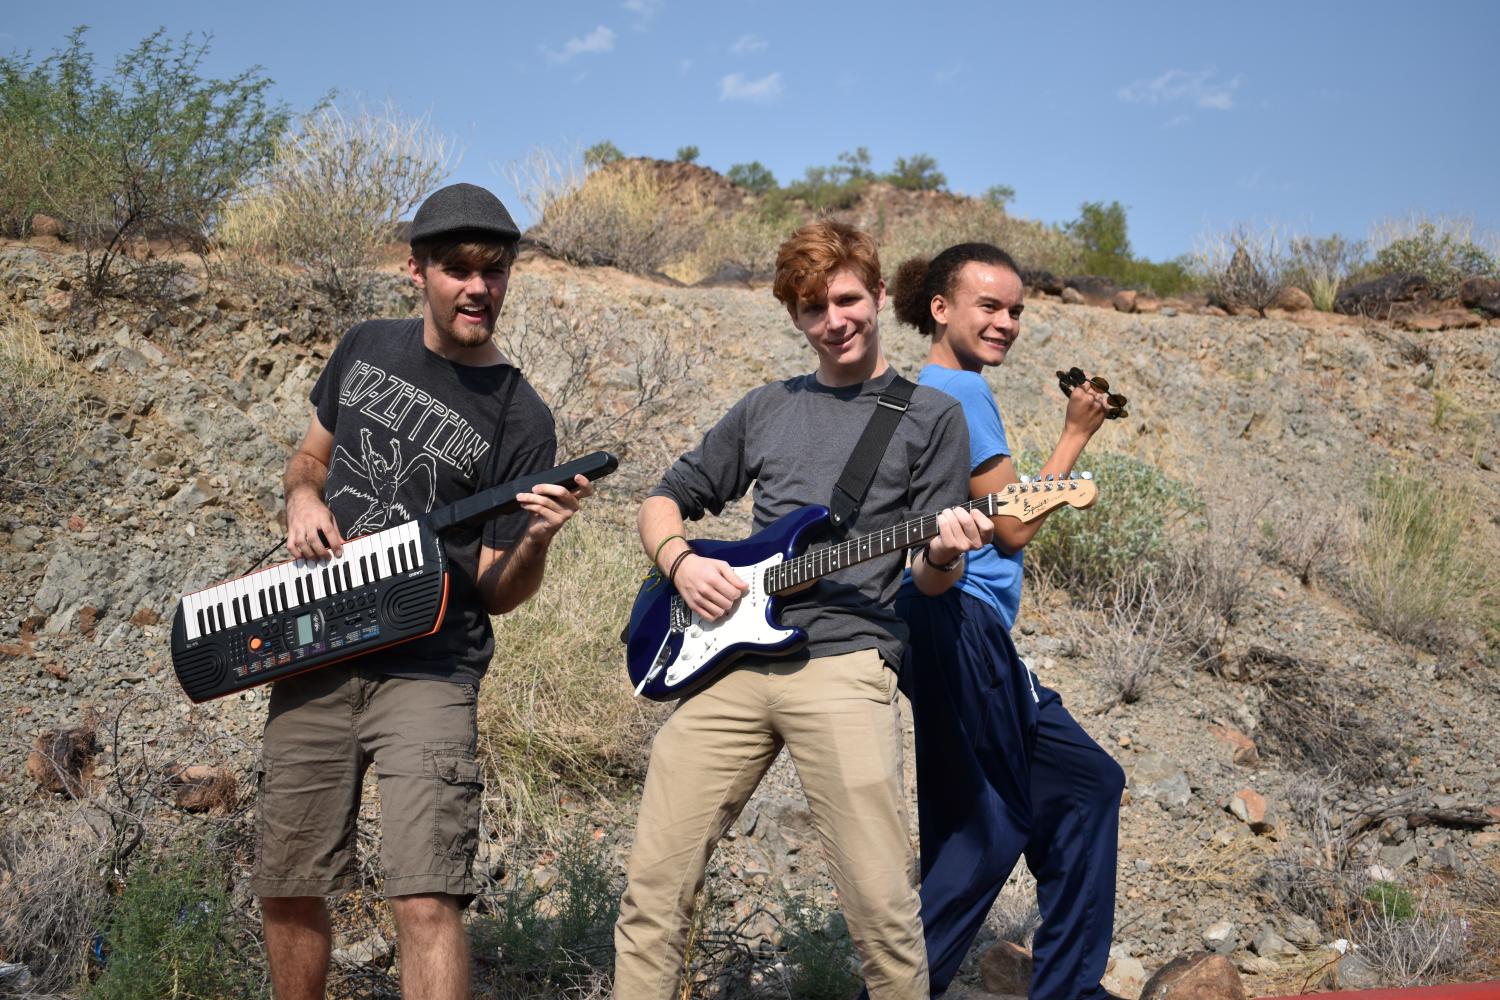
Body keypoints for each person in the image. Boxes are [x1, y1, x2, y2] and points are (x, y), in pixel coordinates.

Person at [613, 220, 994, 999]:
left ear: (882, 296)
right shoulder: (766, 408)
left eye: (848, 299)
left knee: (883, 911)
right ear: (794, 316)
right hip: (733, 661)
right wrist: (681, 563)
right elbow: (662, 500)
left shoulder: (930, 417)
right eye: (813, 307)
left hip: (849, 662)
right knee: (653, 892)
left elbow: (927, 584)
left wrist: (946, 552)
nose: (835, 321)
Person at [253, 182, 594, 1000]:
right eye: (459, 269)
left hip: (430, 671)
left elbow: (498, 589)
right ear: (417, 270)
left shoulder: (522, 416)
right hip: (318, 650)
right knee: (288, 879)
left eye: (496, 270)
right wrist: (303, 499)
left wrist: (538, 538)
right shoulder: (365, 346)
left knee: (425, 894)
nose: (480, 287)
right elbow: (310, 459)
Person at [886, 243, 1127, 1000]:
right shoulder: (958, 393)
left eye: (1015, 309)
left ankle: (1068, 991)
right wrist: (1076, 434)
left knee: (1087, 783)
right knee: (983, 833)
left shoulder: (922, 388)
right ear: (941, 308)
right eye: (988, 306)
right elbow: (1012, 526)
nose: (1005, 322)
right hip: (958, 618)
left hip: (957, 625)